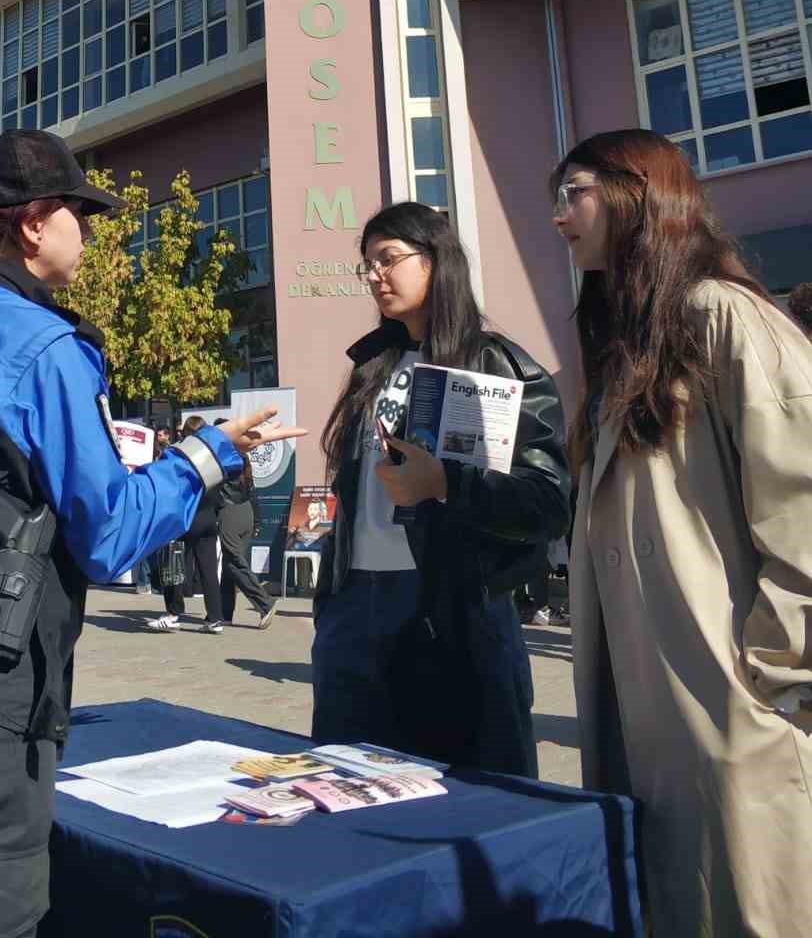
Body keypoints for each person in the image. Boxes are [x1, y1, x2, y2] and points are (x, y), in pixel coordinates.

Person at [0, 130, 301, 937]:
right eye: (82, 213)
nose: (91, 231)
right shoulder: (41, 343)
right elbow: (109, 532)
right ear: (35, 223)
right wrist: (208, 455)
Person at [554, 129, 812, 936]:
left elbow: (802, 502)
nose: (559, 216)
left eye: (575, 192)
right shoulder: (624, 350)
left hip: (735, 710)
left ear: (638, 193)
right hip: (649, 706)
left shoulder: (724, 319)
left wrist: (773, 676)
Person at [311, 201, 570, 777]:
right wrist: (332, 602)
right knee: (347, 782)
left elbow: (547, 503)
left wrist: (445, 484)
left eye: (388, 260)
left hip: (451, 608)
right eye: (367, 265)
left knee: (461, 792)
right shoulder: (372, 365)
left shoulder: (495, 363)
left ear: (435, 262)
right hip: (357, 604)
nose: (375, 276)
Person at [145, 414, 226, 633]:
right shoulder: (213, 456)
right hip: (208, 517)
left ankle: (173, 613)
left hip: (186, 517)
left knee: (172, 561)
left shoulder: (180, 456)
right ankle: (215, 618)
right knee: (209, 570)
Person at [213, 417, 277, 628]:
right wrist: (257, 519)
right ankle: (225, 613)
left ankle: (265, 603)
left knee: (235, 563)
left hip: (230, 512)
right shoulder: (241, 456)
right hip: (245, 512)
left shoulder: (220, 458)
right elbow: (252, 489)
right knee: (232, 565)